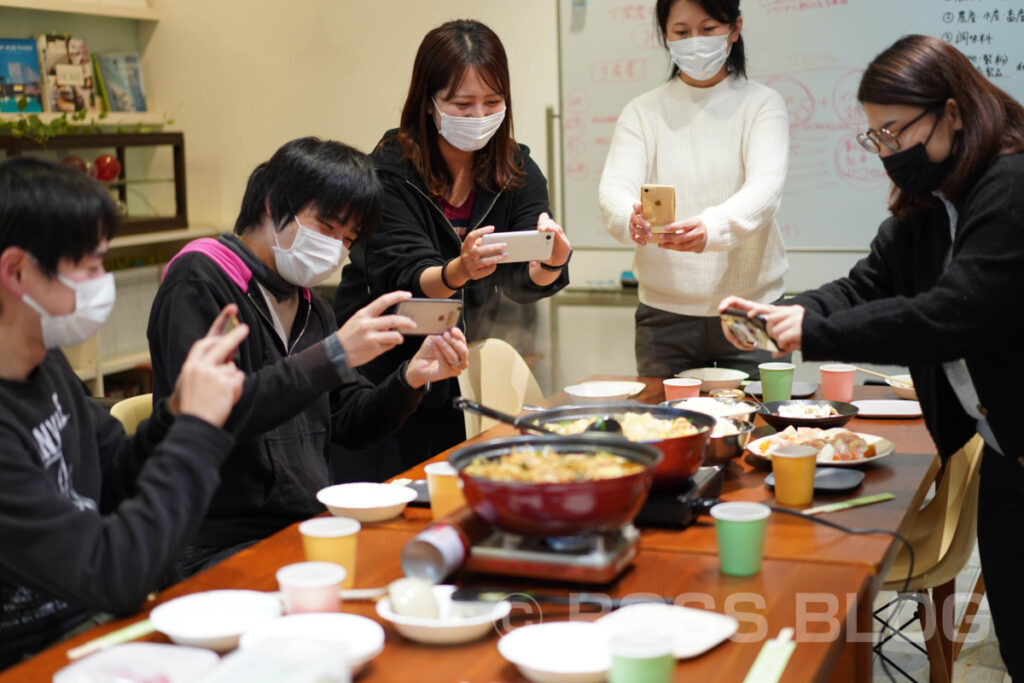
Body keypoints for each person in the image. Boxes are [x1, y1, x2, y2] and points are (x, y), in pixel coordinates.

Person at [719, 35, 1024, 678]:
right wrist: (784, 315)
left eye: (893, 132)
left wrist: (816, 334)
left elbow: (952, 316)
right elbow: (865, 284)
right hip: (1004, 456)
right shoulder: (930, 206)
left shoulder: (1010, 185)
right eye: (875, 138)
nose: (886, 151)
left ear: (954, 111)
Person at [146, 137, 468, 580]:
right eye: (328, 227)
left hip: (305, 523)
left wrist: (410, 379)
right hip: (215, 543)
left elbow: (351, 425)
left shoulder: (312, 306)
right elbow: (215, 417)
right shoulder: (200, 280)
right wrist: (333, 354)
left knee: (429, 565)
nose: (336, 249)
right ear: (273, 203)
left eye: (348, 239)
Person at [0, 157, 248, 668]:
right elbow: (114, 573)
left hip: (97, 628)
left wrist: (177, 412)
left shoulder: (44, 361)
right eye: (89, 267)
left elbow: (116, 473)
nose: (101, 283)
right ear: (18, 271)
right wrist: (197, 430)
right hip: (33, 656)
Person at [333, 19, 571, 479]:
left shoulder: (515, 168)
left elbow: (521, 280)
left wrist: (551, 263)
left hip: (453, 361)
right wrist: (458, 271)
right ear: (429, 102)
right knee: (385, 491)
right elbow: (402, 273)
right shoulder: (388, 171)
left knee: (449, 485)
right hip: (380, 364)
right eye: (462, 104)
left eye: (493, 102)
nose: (479, 115)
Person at [598, 0, 789, 378]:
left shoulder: (761, 104)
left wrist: (711, 228)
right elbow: (615, 189)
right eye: (682, 33)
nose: (695, 42)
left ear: (734, 29)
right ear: (665, 36)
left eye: (708, 29)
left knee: (760, 431)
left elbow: (765, 190)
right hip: (663, 316)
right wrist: (628, 217)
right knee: (665, 431)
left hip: (751, 309)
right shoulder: (642, 112)